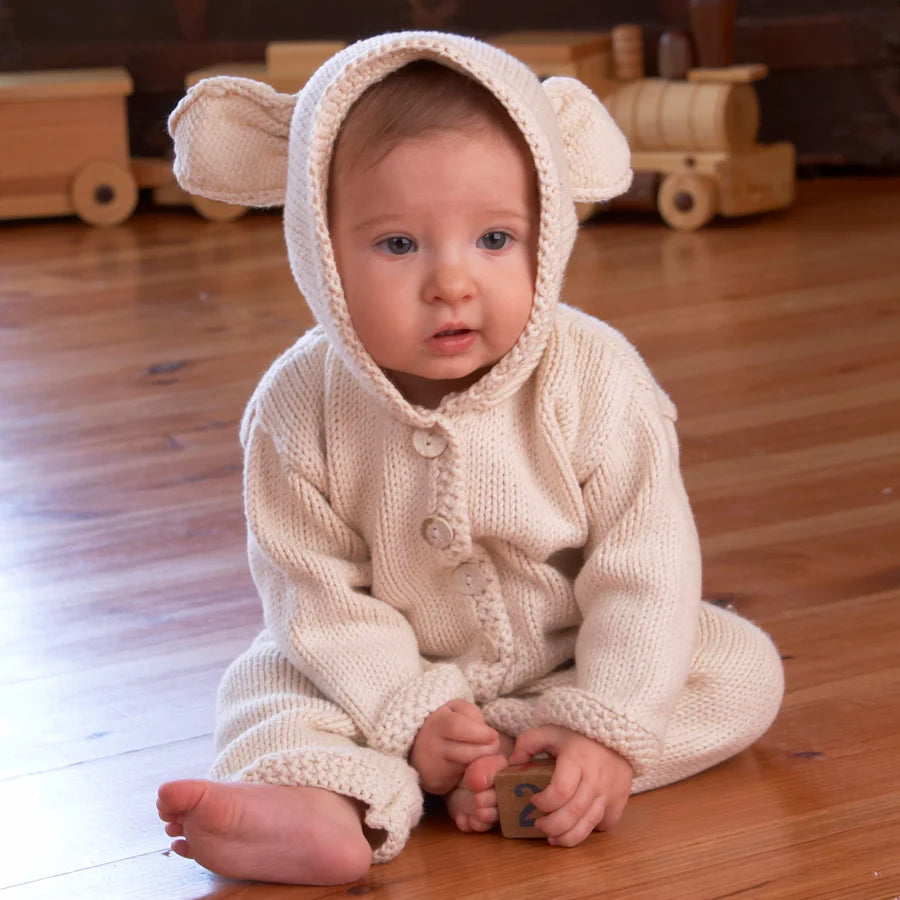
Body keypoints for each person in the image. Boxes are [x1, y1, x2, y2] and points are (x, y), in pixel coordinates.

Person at [157, 32, 784, 886]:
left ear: (548, 230)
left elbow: (648, 567)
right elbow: (312, 592)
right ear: (320, 250)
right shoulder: (298, 405)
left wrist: (607, 716)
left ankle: (567, 752)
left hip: (569, 653)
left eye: (494, 239)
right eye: (398, 246)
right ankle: (323, 804)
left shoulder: (596, 377)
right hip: (384, 671)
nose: (452, 283)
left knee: (740, 671)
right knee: (269, 681)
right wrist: (409, 709)